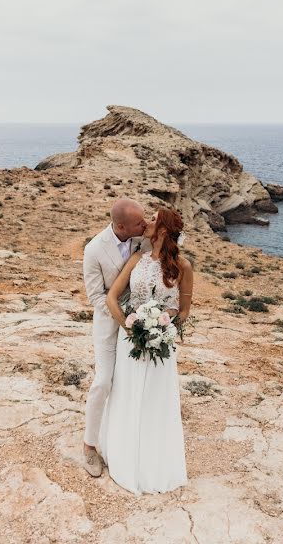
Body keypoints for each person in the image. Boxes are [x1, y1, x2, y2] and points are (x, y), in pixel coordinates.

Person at [98, 207, 193, 494]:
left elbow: (185, 310)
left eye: (153, 220)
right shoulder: (137, 259)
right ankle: (123, 456)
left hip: (160, 346)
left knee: (155, 403)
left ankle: (153, 465)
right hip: (132, 343)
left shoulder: (183, 267)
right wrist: (131, 329)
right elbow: (112, 298)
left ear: (163, 229)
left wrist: (161, 330)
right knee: (127, 397)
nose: (147, 223)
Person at [81, 198, 151, 477]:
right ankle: (89, 446)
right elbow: (95, 296)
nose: (144, 225)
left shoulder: (142, 237)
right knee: (102, 382)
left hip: (143, 321)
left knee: (131, 383)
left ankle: (127, 440)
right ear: (121, 226)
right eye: (139, 223)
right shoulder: (94, 249)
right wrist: (124, 317)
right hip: (110, 327)